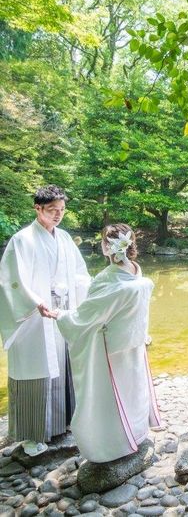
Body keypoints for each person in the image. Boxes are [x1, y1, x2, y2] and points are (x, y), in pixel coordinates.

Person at [51, 224, 161, 462]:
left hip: (110, 347)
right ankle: (137, 433)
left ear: (107, 247)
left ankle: (113, 445)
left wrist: (59, 315)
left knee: (109, 394)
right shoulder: (136, 270)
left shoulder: (108, 278)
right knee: (132, 389)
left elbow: (87, 315)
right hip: (133, 341)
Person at [0, 185, 91, 456]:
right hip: (33, 318)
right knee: (37, 369)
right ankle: (32, 435)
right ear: (37, 208)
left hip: (61, 312)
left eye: (62, 210)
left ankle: (62, 424)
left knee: (63, 365)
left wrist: (91, 296)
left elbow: (80, 274)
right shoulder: (22, 240)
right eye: (52, 210)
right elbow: (10, 281)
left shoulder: (64, 238)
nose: (58, 215)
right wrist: (34, 302)